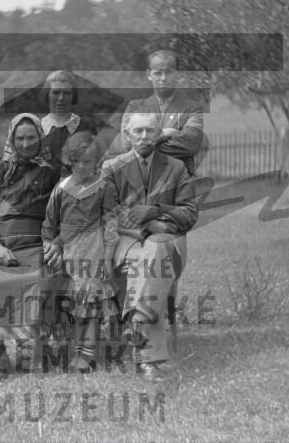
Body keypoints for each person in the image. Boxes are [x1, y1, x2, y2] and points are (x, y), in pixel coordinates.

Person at [0, 113, 61, 381]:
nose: (26, 143)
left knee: (40, 281)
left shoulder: (53, 173)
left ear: (41, 138)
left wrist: (55, 242)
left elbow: (63, 212)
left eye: (31, 137)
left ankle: (35, 349)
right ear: (11, 140)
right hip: (1, 246)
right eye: (20, 138)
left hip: (37, 245)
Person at [102, 112, 198, 382]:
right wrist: (147, 226)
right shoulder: (111, 167)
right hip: (127, 242)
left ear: (159, 134)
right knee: (152, 267)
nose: (144, 136)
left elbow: (189, 214)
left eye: (150, 130)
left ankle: (138, 323)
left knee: (155, 253)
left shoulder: (176, 168)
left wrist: (156, 210)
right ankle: (148, 360)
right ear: (127, 135)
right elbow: (106, 212)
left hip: (168, 243)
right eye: (138, 131)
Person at [41, 132, 119, 373]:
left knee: (90, 306)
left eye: (88, 161)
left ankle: (87, 354)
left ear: (96, 161)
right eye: (77, 161)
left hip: (92, 253)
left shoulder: (103, 187)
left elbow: (111, 225)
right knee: (73, 306)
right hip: (68, 255)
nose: (83, 166)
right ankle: (75, 349)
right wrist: (50, 245)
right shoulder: (61, 189)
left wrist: (107, 258)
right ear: (69, 160)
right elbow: (49, 223)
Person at [121, 50, 208, 177]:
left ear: (177, 74)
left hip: (180, 181)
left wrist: (147, 144)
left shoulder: (192, 109)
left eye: (169, 72)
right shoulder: (135, 107)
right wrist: (168, 133)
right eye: (157, 73)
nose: (163, 78)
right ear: (149, 74)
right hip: (143, 181)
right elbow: (129, 144)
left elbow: (190, 145)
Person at [39, 70, 95, 175]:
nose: (61, 98)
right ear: (47, 94)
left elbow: (93, 165)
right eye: (56, 92)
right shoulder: (36, 128)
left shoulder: (86, 128)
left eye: (66, 93)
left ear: (73, 96)